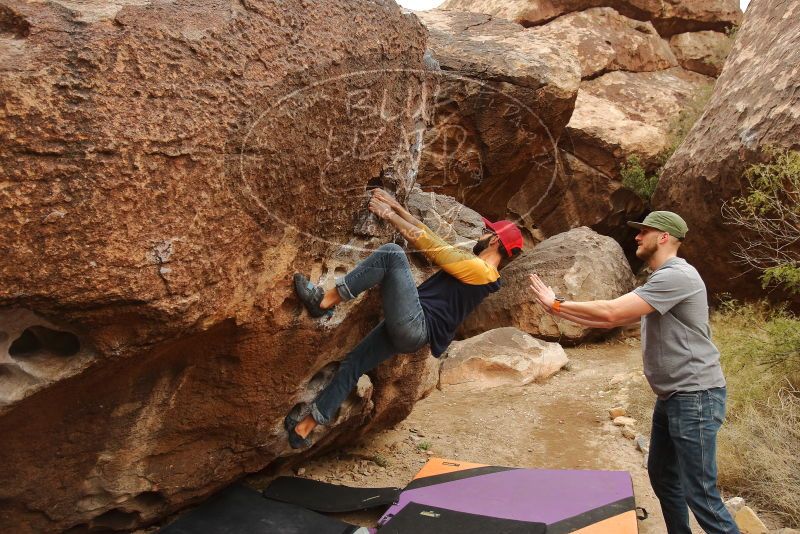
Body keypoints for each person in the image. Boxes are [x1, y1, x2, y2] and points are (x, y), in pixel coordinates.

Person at [528, 211, 739, 534]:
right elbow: (608, 320)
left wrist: (557, 304)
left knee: (702, 495)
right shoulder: (659, 279)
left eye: (645, 232)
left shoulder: (677, 276)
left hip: (695, 397)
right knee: (663, 476)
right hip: (673, 397)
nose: (637, 237)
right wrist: (559, 308)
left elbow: (612, 312)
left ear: (664, 237)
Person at [286, 188, 523, 448]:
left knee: (392, 254)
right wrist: (398, 209)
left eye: (487, 232)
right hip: (412, 331)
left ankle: (324, 301)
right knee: (353, 364)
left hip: (415, 323)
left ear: (495, 241)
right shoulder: (480, 270)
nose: (482, 234)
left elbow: (432, 249)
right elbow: (434, 239)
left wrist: (389, 215)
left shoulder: (482, 271)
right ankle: (303, 429)